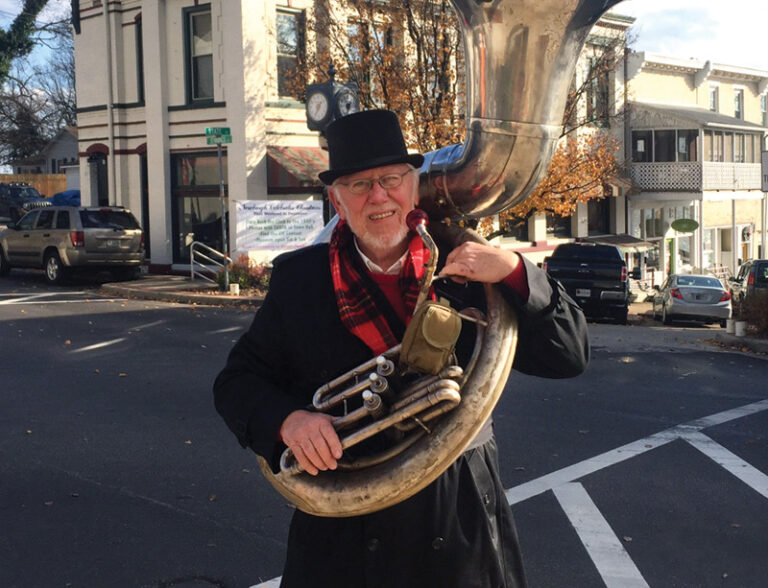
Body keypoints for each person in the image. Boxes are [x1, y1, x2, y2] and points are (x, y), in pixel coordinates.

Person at [213, 109, 588, 588]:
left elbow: (570, 356)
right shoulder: (299, 279)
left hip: (458, 522)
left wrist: (517, 272)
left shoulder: (472, 270)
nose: (378, 196)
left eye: (390, 178)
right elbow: (235, 382)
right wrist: (289, 422)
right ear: (336, 200)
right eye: (357, 185)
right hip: (345, 539)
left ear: (413, 186)